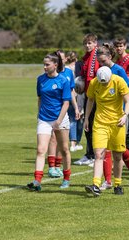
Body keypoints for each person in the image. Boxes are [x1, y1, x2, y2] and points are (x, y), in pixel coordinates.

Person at [95, 43, 129, 190]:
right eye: (99, 62)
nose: (101, 65)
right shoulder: (100, 71)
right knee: (104, 149)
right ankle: (107, 181)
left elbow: (128, 94)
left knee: (119, 150)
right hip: (103, 117)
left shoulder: (119, 70)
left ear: (110, 57)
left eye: (103, 61)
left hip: (120, 116)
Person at [27, 51, 72, 191]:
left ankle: (66, 179)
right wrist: (39, 114)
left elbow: (66, 103)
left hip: (60, 119)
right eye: (44, 64)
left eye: (47, 64)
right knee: (41, 150)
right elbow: (40, 98)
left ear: (55, 64)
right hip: (44, 119)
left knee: (64, 149)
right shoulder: (40, 79)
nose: (44, 67)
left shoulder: (63, 80)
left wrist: (58, 121)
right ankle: (37, 181)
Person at [84, 66, 129, 196]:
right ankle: (96, 185)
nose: (103, 84)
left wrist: (125, 115)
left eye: (106, 82)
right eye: (102, 82)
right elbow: (90, 100)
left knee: (117, 155)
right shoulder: (94, 83)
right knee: (99, 154)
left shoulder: (119, 81)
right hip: (100, 123)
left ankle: (117, 184)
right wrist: (87, 118)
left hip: (117, 123)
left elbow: (128, 100)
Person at [46, 50, 80, 179]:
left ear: (65, 60)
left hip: (64, 110)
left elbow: (71, 91)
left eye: (62, 58)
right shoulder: (50, 72)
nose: (60, 60)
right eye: (58, 58)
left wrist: (76, 108)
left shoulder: (68, 73)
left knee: (62, 141)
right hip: (52, 110)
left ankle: (58, 166)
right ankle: (51, 167)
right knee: (52, 138)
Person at [74, 33, 100, 166]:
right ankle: (90, 154)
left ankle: (97, 155)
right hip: (88, 95)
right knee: (87, 124)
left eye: (90, 43)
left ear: (95, 43)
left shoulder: (97, 56)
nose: (87, 45)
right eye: (85, 43)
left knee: (94, 125)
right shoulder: (86, 58)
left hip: (96, 96)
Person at [66, 51, 84, 152]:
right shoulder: (80, 66)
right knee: (80, 119)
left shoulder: (66, 69)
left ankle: (72, 143)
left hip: (69, 96)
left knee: (72, 119)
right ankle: (77, 142)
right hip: (80, 96)